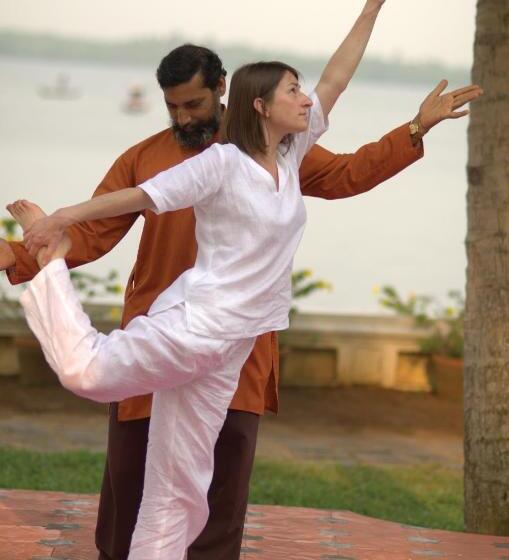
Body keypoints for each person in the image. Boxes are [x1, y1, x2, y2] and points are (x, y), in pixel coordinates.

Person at [1, 11, 482, 560]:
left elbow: (340, 110)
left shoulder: (290, 152)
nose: (183, 117)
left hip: (238, 351)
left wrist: (412, 113)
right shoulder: (198, 162)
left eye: (194, 105)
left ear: (227, 92)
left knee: (199, 495)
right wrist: (44, 233)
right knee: (123, 468)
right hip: (179, 333)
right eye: (173, 107)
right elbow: (113, 215)